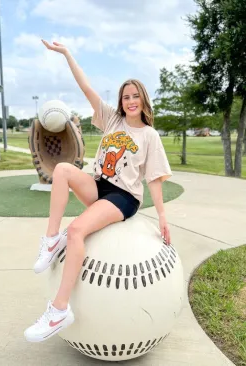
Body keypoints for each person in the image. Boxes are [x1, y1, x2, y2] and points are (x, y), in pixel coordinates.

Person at [24, 39, 172, 343]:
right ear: (120, 102)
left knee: (77, 230)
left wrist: (163, 219)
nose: (131, 101)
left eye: (135, 96)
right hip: (98, 186)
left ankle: (59, 310)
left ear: (143, 100)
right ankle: (51, 240)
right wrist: (67, 54)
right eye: (126, 97)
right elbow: (85, 86)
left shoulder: (149, 135)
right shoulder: (112, 120)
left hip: (123, 197)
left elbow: (155, 179)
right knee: (63, 170)